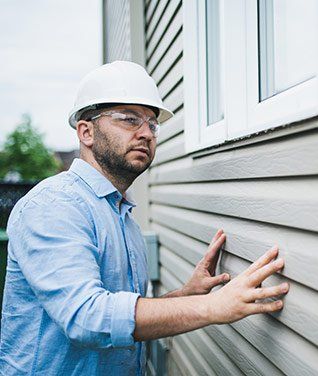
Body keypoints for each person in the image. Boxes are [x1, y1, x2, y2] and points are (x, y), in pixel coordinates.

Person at [0, 61, 289, 375]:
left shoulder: (121, 213)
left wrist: (186, 295)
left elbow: (123, 317)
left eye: (152, 124)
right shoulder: (54, 206)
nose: (146, 133)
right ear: (86, 131)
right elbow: (87, 317)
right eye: (129, 119)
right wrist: (211, 307)